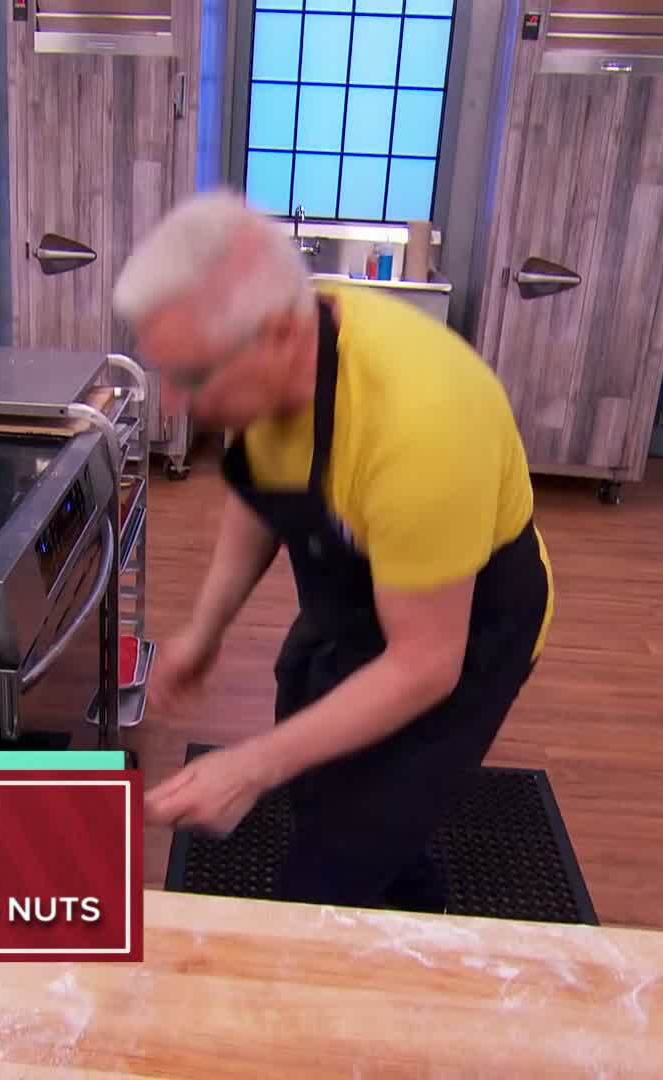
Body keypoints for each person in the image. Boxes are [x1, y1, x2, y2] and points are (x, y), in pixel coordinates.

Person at [113, 193, 555, 913]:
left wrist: (249, 767)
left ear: (281, 335)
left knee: (326, 878)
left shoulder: (421, 423)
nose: (172, 403)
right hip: (357, 597)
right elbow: (263, 491)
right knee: (318, 778)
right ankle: (412, 883)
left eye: (191, 377)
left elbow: (423, 665)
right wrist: (205, 630)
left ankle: (402, 895)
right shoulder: (272, 356)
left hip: (466, 631)